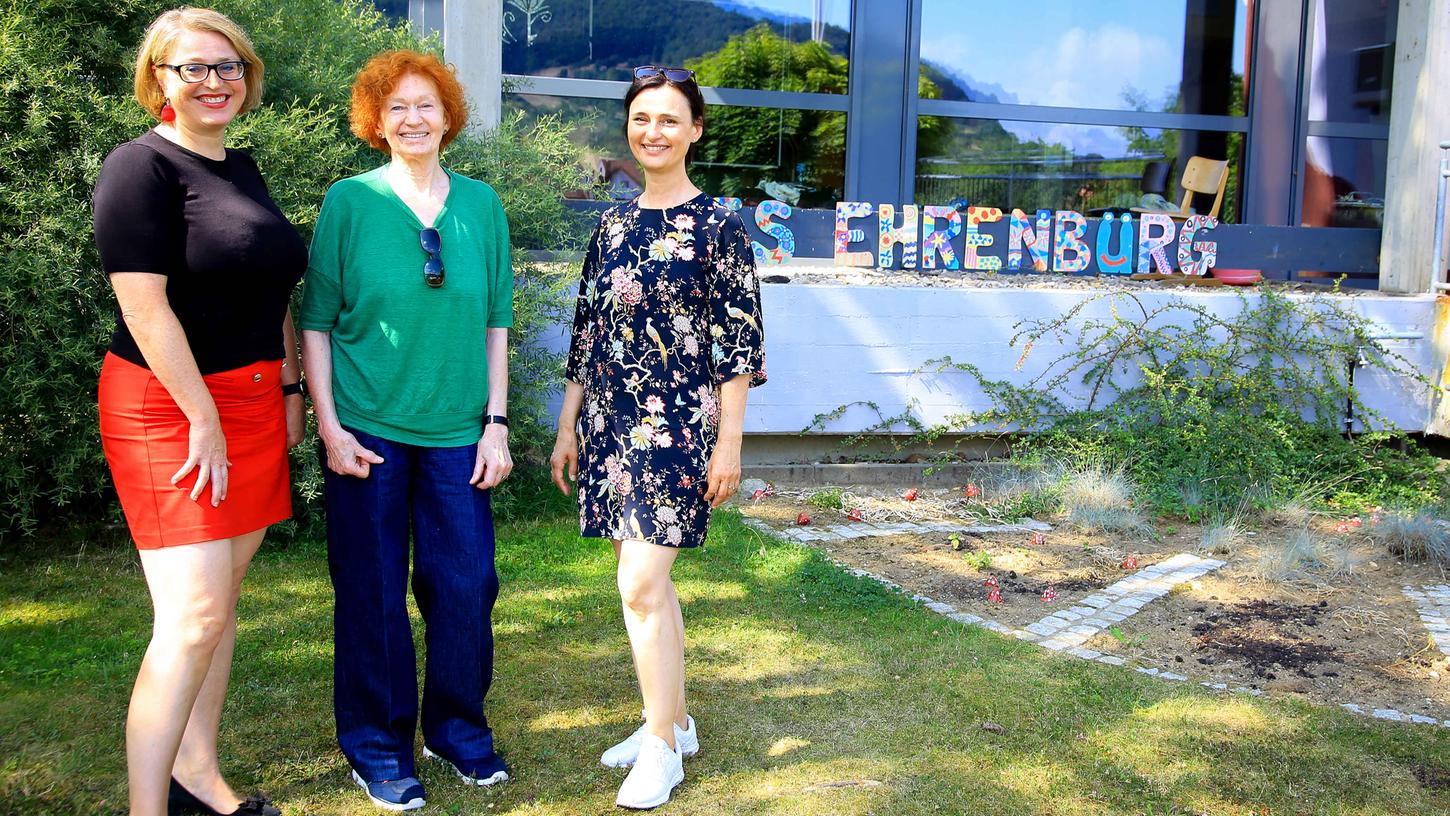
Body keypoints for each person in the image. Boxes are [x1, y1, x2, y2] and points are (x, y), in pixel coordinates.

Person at [92, 8, 305, 816]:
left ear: (246, 78)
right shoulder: (137, 168)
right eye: (194, 68)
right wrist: (204, 418)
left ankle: (199, 779)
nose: (214, 81)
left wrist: (286, 387)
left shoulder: (240, 167)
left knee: (223, 601)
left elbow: (269, 288)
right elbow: (145, 310)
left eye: (228, 67)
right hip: (167, 404)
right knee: (193, 615)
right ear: (160, 83)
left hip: (250, 399)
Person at [298, 49, 515, 812]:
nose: (414, 119)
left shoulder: (482, 205)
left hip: (460, 432)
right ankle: (377, 745)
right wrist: (328, 427)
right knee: (373, 592)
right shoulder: (349, 203)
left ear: (448, 115)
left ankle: (455, 730)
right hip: (367, 431)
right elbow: (316, 322)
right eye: (398, 108)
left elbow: (496, 322)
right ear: (375, 122)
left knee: (466, 585)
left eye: (427, 105)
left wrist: (496, 425)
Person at [550, 65, 766, 810]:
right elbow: (588, 329)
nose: (654, 132)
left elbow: (739, 348)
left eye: (670, 119)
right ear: (629, 128)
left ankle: (661, 748)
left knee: (640, 585)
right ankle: (671, 719)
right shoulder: (612, 224)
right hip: (610, 425)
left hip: (679, 427)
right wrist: (567, 427)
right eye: (642, 119)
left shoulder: (721, 227)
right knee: (650, 588)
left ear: (696, 130)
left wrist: (730, 444)